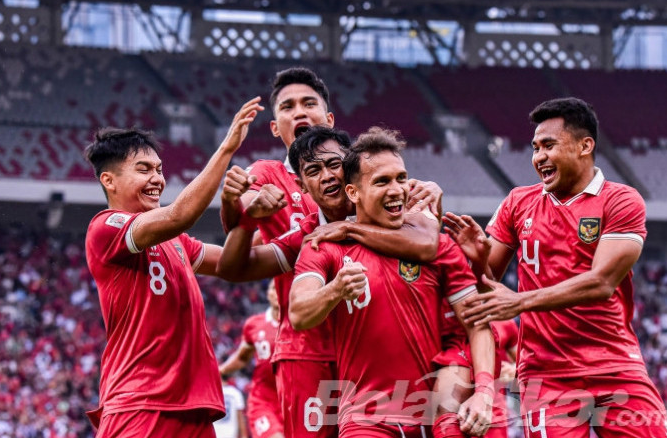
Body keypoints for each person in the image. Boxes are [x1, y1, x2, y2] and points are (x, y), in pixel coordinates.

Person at [220, 69, 441, 438]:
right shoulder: (306, 231)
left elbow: (428, 239)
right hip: (309, 353)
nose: (326, 176)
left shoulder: (386, 194)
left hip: (382, 357)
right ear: (300, 183)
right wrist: (243, 216)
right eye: (287, 107)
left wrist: (354, 226)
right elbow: (234, 263)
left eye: (309, 103)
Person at [442, 97, 667, 437]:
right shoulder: (518, 202)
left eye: (549, 145)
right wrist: (476, 259)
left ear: (584, 145)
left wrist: (520, 301)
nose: (539, 157)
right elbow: (487, 281)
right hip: (546, 374)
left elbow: (602, 282)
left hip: (615, 364)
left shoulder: (621, 200)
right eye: (535, 148)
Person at [288, 127, 496, 438]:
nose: (397, 189)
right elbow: (299, 313)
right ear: (353, 193)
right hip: (365, 421)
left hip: (431, 420)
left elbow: (477, 325)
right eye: (382, 181)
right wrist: (334, 291)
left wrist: (484, 393)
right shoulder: (324, 246)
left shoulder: (436, 246)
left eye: (401, 178)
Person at [82, 98, 263, 437]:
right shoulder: (106, 227)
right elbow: (180, 214)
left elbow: (231, 263)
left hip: (192, 407)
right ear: (109, 180)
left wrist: (299, 229)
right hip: (141, 404)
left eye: (159, 169)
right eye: (144, 169)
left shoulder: (175, 241)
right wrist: (226, 149)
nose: (157, 179)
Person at [220, 282, 284, 438]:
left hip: (293, 402)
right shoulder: (255, 324)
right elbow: (242, 358)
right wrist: (220, 371)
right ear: (268, 294)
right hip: (263, 401)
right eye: (272, 289)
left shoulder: (301, 323)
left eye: (279, 288)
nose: (276, 293)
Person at [485, 320, 519, 438]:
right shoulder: (452, 322)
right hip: (456, 407)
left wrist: (513, 369)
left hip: (495, 411)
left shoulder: (504, 322)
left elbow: (523, 359)